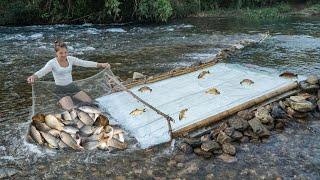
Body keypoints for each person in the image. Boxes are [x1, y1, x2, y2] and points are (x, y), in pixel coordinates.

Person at [27, 40, 110, 110]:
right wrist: (33, 76)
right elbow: (42, 71)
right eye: (61, 53)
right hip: (60, 90)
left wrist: (100, 64)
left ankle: (72, 100)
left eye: (65, 52)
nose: (64, 55)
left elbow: (84, 63)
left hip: (72, 87)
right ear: (56, 53)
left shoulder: (70, 59)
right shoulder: (52, 63)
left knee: (90, 103)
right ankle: (60, 102)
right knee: (72, 110)